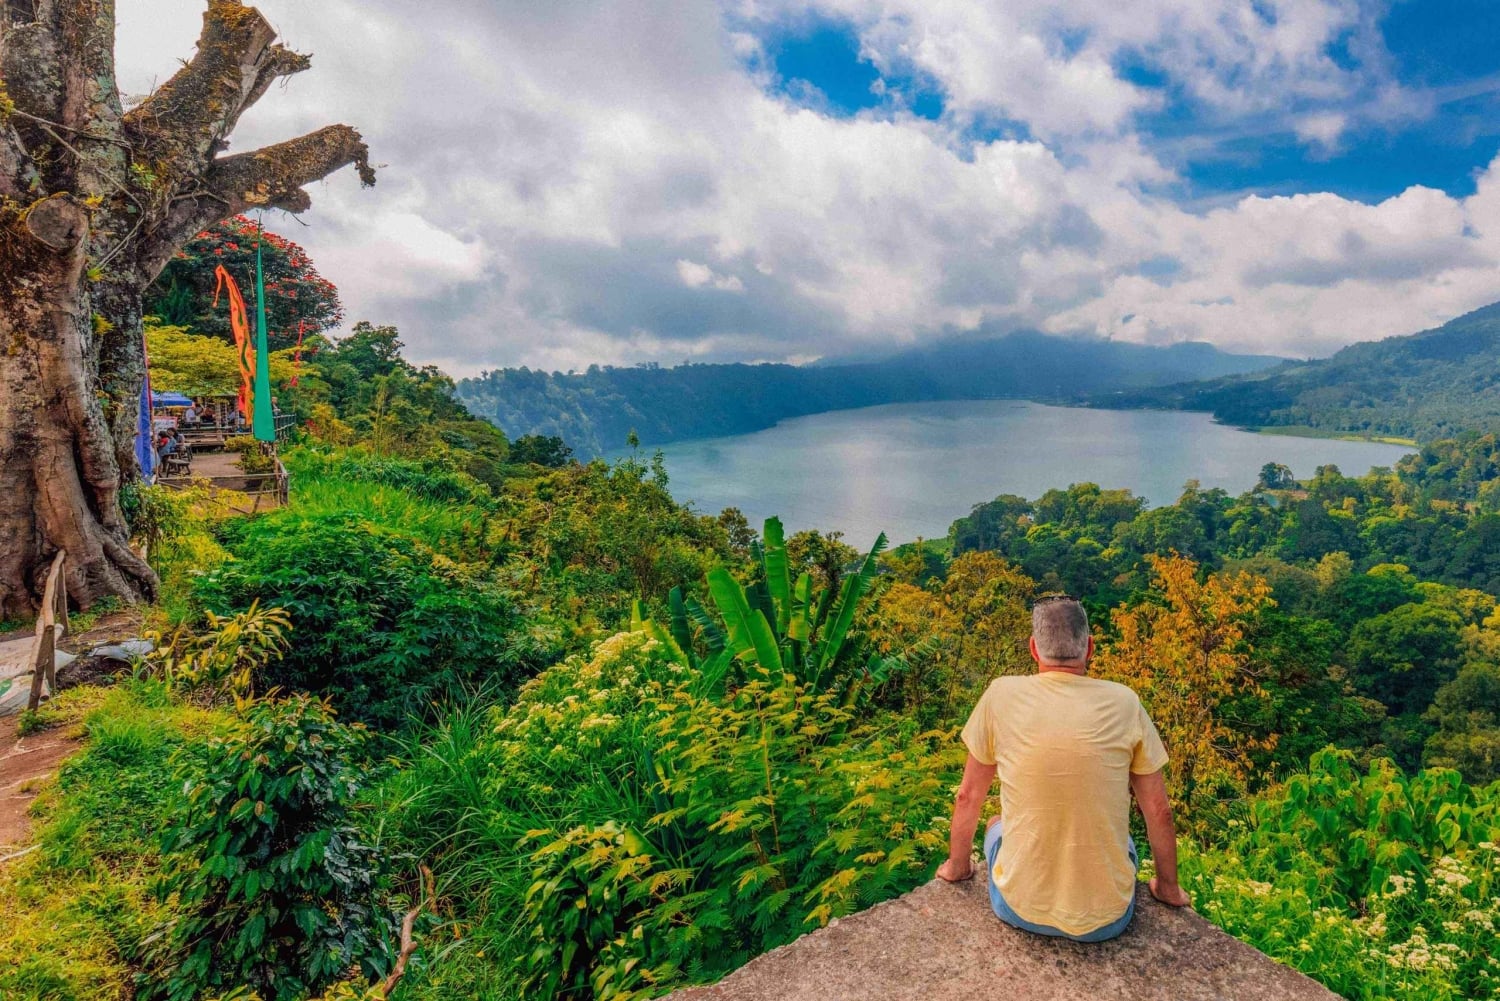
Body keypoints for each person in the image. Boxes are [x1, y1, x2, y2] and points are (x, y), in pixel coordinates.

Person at [935, 594, 1190, 942]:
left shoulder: (1000, 694)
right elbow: (1158, 810)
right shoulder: (1125, 702)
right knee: (1124, 841)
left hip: (1017, 908)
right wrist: (1168, 888)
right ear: (1090, 647)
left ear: (1034, 649)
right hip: (1108, 920)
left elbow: (968, 796)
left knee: (996, 823)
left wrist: (957, 867)